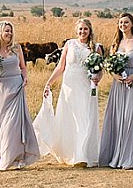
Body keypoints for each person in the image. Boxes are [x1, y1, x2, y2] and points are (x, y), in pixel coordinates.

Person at [34, 18, 103, 166]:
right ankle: (70, 152)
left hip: (86, 85)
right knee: (69, 117)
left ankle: (82, 154)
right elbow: (61, 66)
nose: (82, 32)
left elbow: (99, 70)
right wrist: (49, 82)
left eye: (85, 29)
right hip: (69, 85)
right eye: (80, 29)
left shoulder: (96, 48)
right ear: (76, 30)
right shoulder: (69, 44)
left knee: (84, 117)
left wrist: (97, 78)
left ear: (90, 30)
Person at [0, 21, 40, 171]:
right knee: (4, 125)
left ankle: (16, 158)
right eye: (6, 31)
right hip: (0, 90)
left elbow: (23, 67)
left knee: (15, 125)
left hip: (16, 87)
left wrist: (25, 77)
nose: (9, 33)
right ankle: (5, 158)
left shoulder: (16, 48)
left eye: (11, 31)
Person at [98, 12, 133, 169]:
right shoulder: (116, 44)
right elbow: (110, 65)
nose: (123, 25)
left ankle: (129, 158)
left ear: (132, 24)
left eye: (126, 22)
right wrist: (115, 76)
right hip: (119, 85)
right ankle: (116, 156)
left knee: (130, 120)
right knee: (118, 119)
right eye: (121, 22)